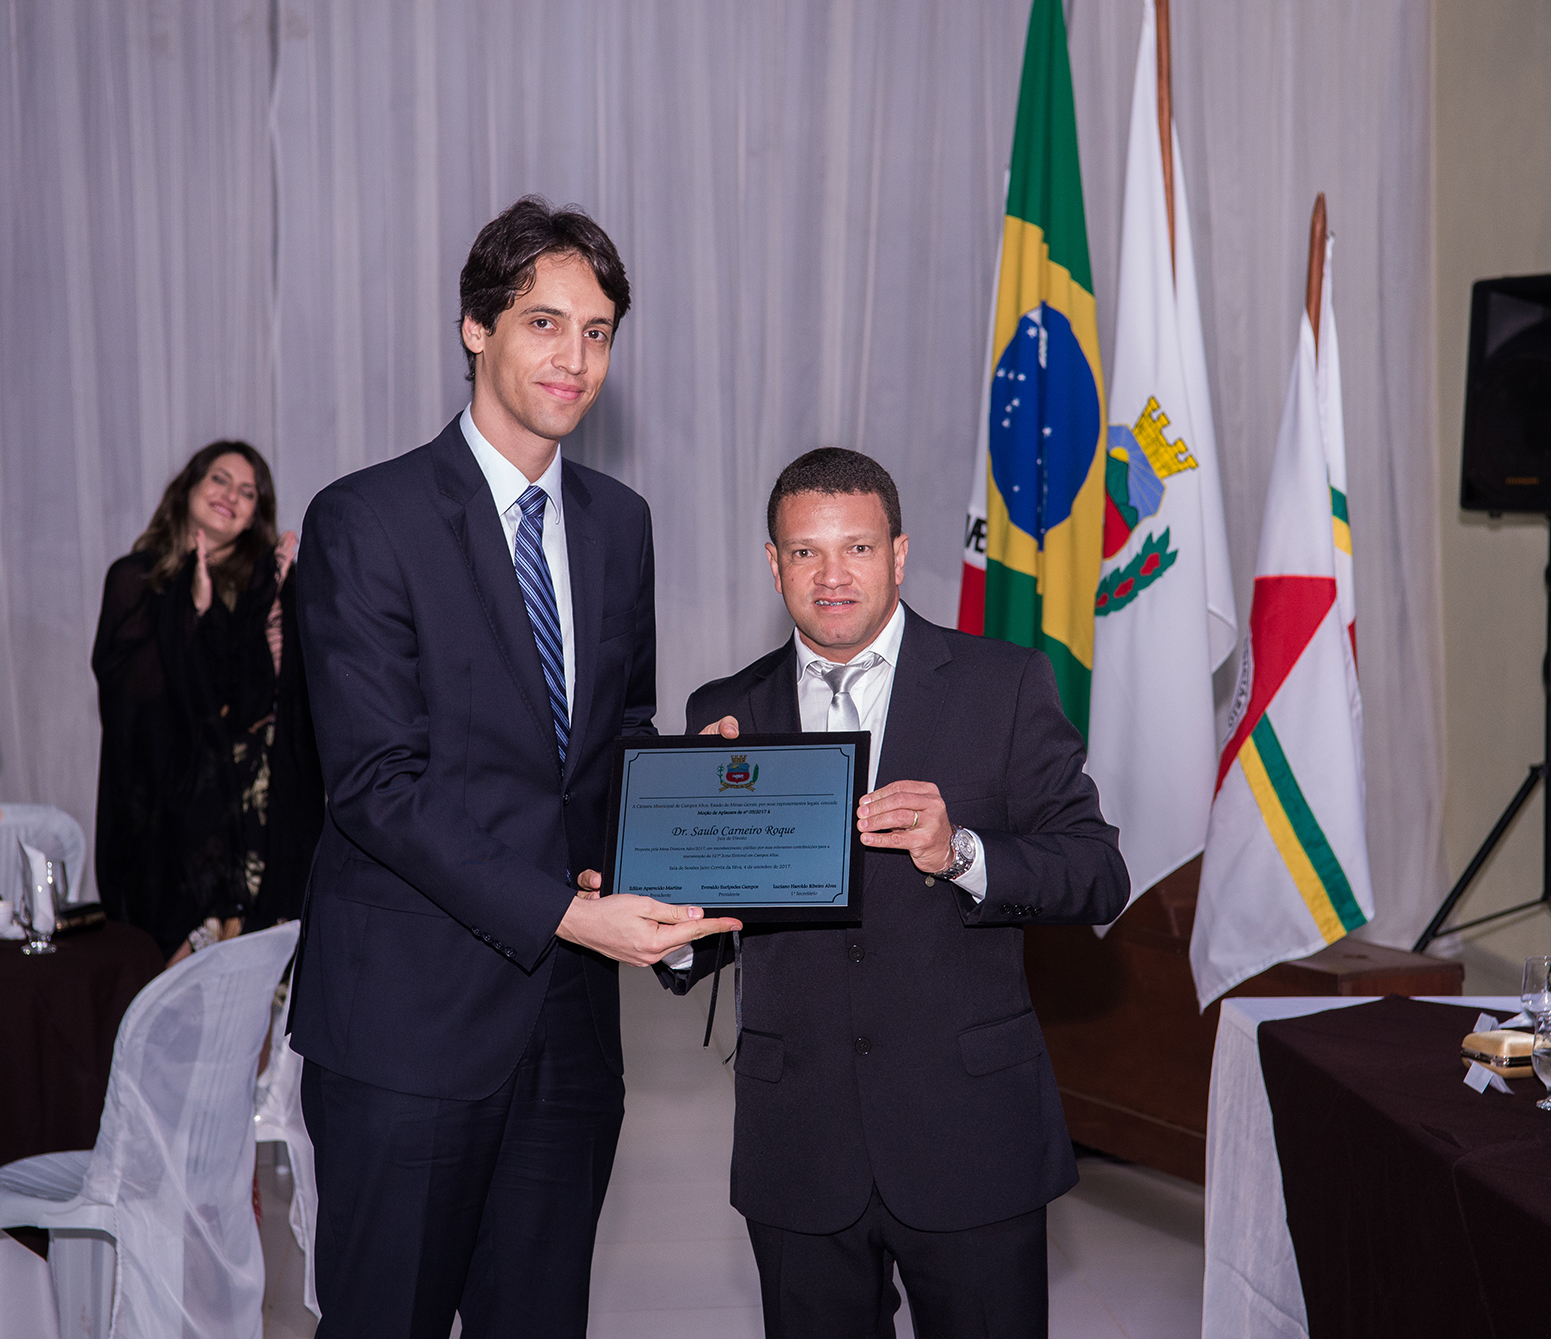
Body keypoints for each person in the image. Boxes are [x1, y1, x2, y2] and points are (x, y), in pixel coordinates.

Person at [290, 196, 739, 1339]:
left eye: (597, 332)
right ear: (475, 327)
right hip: (407, 1025)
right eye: (544, 323)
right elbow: (376, 786)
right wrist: (570, 915)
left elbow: (607, 738)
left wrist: (688, 797)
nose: (573, 357)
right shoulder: (365, 518)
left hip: (571, 1032)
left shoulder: (619, 522)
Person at [663, 448, 1130, 1337]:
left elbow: (1096, 872)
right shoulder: (724, 710)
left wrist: (960, 852)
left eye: (857, 547)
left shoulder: (1003, 683)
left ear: (901, 554)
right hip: (796, 1140)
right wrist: (673, 911)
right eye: (805, 551)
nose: (831, 575)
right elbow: (708, 921)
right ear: (772, 563)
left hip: (970, 1131)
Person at [91, 440, 321, 962]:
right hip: (167, 817)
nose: (231, 496)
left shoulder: (267, 584)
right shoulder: (135, 578)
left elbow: (261, 702)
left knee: (253, 985)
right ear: (188, 488)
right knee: (169, 983)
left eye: (248, 492)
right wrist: (192, 614)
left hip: (256, 814)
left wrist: (272, 600)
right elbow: (132, 701)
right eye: (219, 479)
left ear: (255, 516)